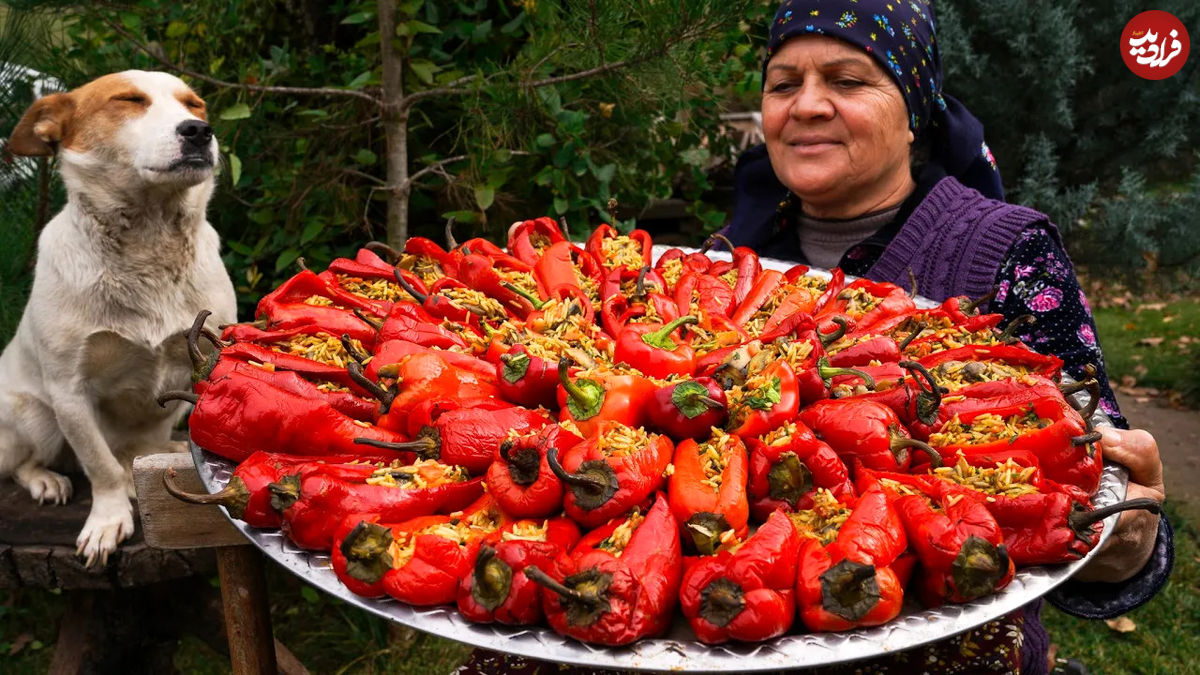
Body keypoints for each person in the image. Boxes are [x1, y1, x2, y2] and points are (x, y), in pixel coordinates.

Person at [456, 1, 1171, 673]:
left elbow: (1090, 482)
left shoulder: (1004, 249)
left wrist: (1128, 544)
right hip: (734, 614)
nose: (805, 105)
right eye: (783, 83)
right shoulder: (722, 257)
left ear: (916, 111)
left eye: (848, 79)